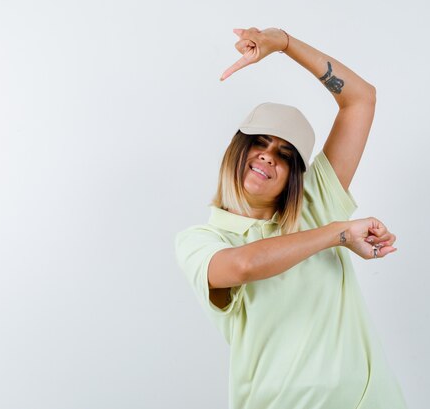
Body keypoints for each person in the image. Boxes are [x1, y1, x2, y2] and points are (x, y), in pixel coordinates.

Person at [174, 27, 408, 409]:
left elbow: (361, 100)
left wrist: (284, 43)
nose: (268, 156)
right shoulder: (200, 240)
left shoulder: (316, 202)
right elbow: (244, 265)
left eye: (284, 155)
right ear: (237, 149)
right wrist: (337, 234)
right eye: (259, 143)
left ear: (293, 176)